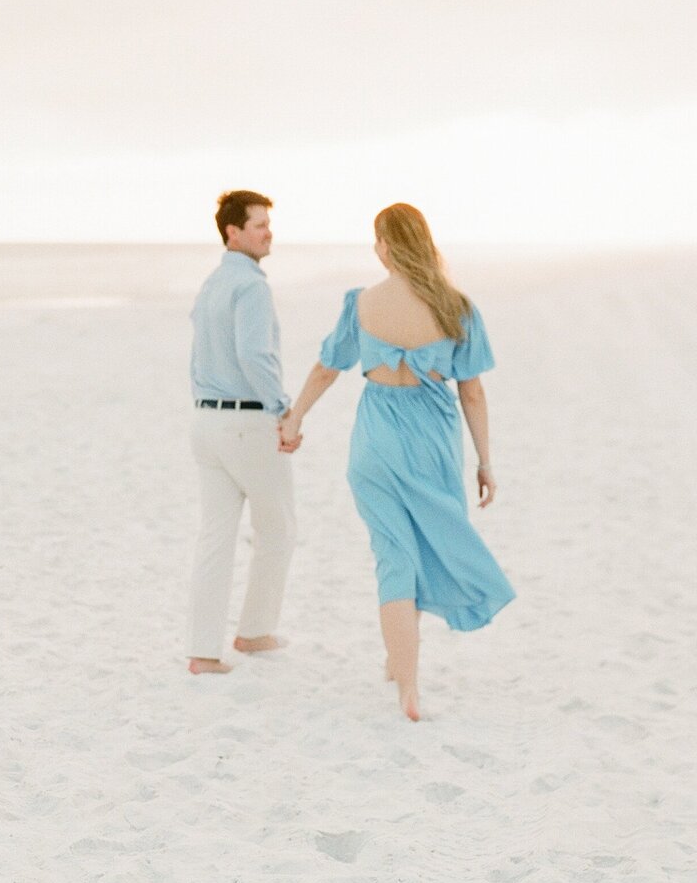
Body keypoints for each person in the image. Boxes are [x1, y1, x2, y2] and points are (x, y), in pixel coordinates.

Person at [281, 203, 514, 720]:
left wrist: (295, 417)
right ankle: (403, 667)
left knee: (394, 556)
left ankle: (405, 683)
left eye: (377, 241)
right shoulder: (457, 307)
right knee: (429, 545)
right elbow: (472, 394)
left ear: (387, 245)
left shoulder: (361, 303)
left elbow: (326, 369)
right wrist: (485, 461)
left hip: (376, 444)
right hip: (433, 444)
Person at [186, 190, 299, 675]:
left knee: (215, 537)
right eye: (259, 224)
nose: (268, 231)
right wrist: (283, 409)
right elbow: (255, 356)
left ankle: (203, 652)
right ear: (232, 232)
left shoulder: (212, 283)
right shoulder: (250, 286)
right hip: (246, 422)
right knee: (278, 528)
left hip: (205, 421)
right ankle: (254, 633)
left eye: (269, 223)